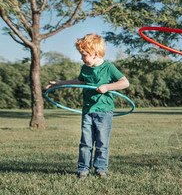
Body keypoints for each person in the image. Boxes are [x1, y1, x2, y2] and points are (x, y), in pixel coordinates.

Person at [46, 34, 129, 179]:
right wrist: (58, 83)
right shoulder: (85, 68)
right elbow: (78, 81)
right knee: (85, 142)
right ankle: (83, 169)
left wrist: (108, 87)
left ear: (94, 54)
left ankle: (100, 168)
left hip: (104, 112)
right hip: (87, 111)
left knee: (102, 143)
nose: (81, 58)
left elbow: (124, 82)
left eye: (83, 55)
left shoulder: (109, 68)